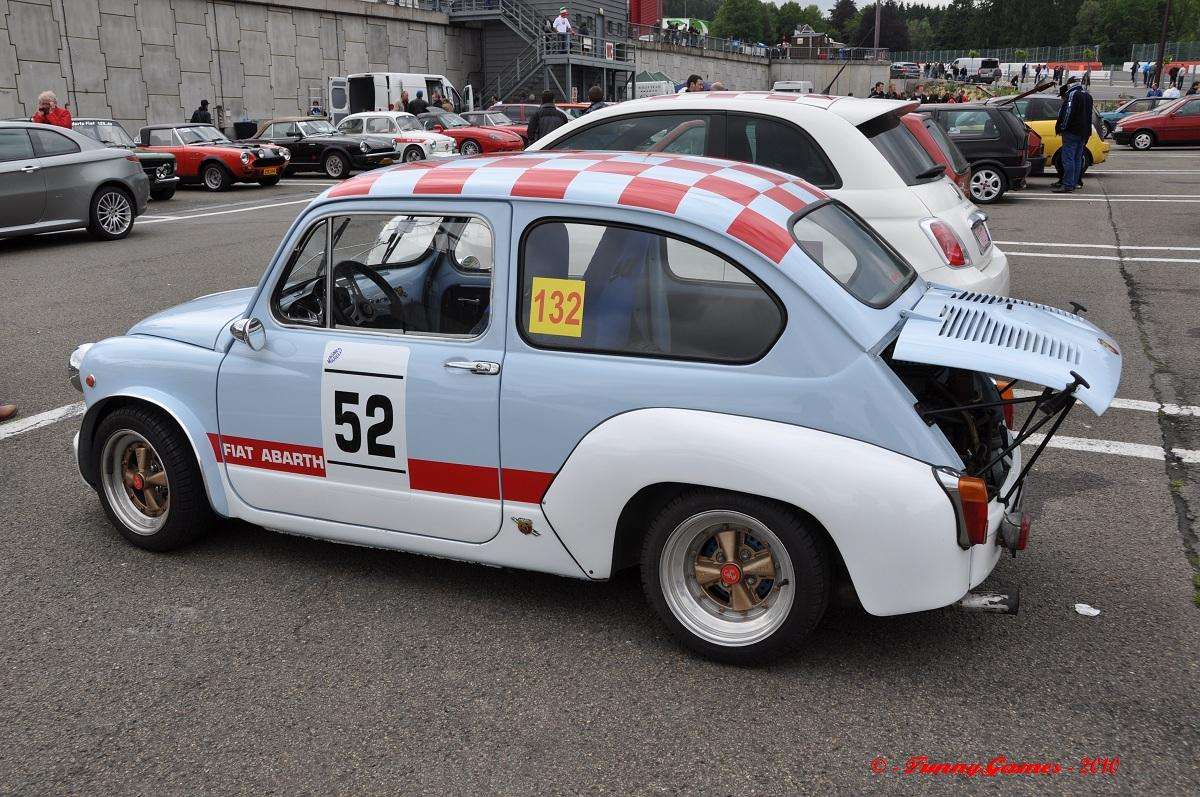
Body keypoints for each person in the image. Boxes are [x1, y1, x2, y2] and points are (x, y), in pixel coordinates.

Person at [1054, 78, 1092, 193]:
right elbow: (1089, 116)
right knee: (1077, 158)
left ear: (1070, 85)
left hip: (1071, 131)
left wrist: (1062, 127)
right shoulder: (1087, 96)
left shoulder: (1072, 95)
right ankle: (1075, 182)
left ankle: (1068, 184)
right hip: (1083, 132)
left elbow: (1068, 113)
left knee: (1068, 158)